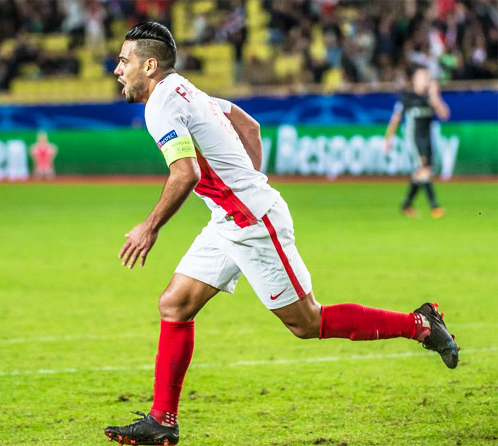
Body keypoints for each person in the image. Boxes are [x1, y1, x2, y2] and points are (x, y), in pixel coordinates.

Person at [104, 22, 459, 446]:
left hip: (253, 223)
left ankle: (420, 323)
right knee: (175, 304)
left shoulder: (161, 104)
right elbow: (248, 125)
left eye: (124, 61)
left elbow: (186, 173)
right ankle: (162, 421)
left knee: (307, 322)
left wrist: (150, 226)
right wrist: (246, 183)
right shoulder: (186, 90)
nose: (117, 70)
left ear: (149, 64)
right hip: (228, 219)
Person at [384, 65, 450, 218]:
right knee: (424, 170)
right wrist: (388, 139)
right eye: (422, 77)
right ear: (414, 79)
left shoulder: (430, 97)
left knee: (421, 173)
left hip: (427, 140)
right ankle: (435, 207)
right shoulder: (407, 97)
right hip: (413, 140)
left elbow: (445, 114)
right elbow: (395, 119)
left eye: (427, 77)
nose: (426, 80)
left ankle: (406, 204)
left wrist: (435, 97)